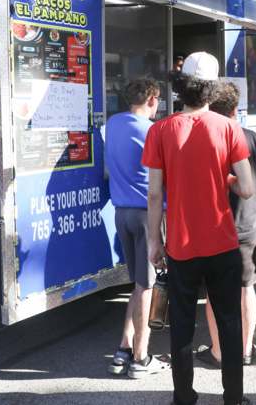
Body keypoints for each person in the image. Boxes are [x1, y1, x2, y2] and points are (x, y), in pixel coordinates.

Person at [143, 51, 254, 405]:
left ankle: (184, 397)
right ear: (213, 90)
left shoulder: (159, 130)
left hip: (180, 244)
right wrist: (226, 175)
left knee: (181, 324)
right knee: (229, 324)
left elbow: (154, 194)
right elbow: (248, 189)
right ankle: (233, 398)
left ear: (180, 88)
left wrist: (153, 242)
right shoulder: (228, 127)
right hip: (222, 243)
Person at [198, 82, 256, 367]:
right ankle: (245, 349)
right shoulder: (253, 138)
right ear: (235, 109)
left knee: (214, 293)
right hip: (249, 224)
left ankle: (218, 352)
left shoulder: (204, 137)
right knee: (246, 288)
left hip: (215, 227)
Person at [104, 78, 170, 378]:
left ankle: (123, 348)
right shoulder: (155, 131)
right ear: (153, 100)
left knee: (139, 284)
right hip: (148, 215)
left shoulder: (113, 124)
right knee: (147, 287)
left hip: (121, 214)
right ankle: (141, 359)